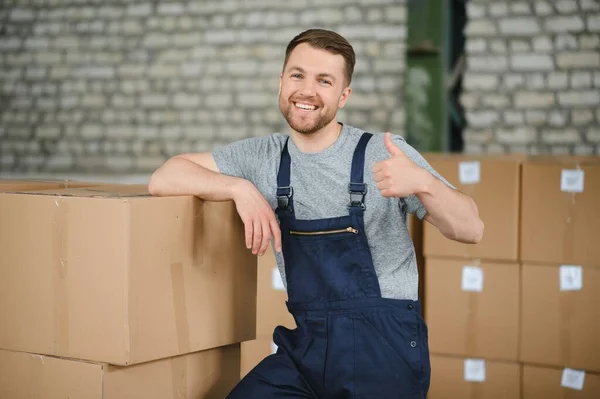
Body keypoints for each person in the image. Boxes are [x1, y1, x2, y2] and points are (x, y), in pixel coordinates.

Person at [149, 28, 484, 399]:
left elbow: (470, 229)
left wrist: (424, 183)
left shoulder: (383, 153)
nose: (306, 91)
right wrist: (237, 188)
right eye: (297, 75)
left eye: (324, 81)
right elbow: (165, 175)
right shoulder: (263, 157)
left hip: (382, 350)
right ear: (281, 81)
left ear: (343, 95)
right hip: (307, 348)